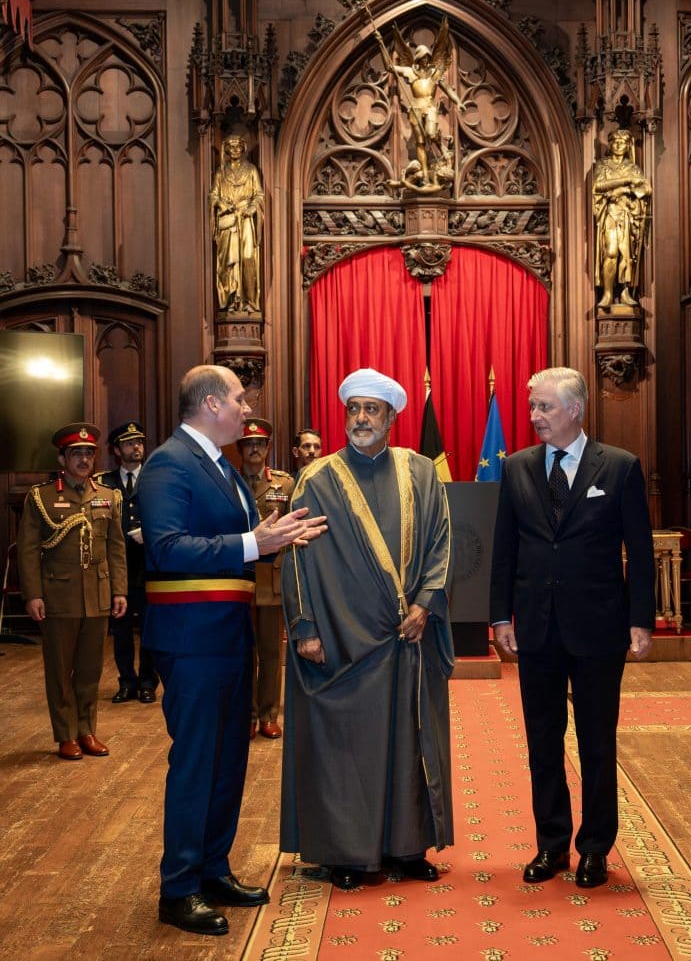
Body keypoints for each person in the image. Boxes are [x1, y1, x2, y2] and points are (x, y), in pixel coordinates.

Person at [137, 364, 327, 936]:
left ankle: (212, 868)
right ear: (211, 403)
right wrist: (254, 541)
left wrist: (277, 539)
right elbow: (167, 549)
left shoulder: (220, 466)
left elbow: (238, 549)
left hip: (226, 635)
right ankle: (178, 888)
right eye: (239, 400)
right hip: (191, 639)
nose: (246, 410)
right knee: (197, 761)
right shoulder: (168, 463)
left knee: (227, 761)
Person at [280, 368, 454, 892]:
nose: (360, 419)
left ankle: (406, 848)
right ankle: (349, 853)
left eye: (371, 410)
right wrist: (305, 625)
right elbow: (294, 554)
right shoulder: (318, 478)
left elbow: (442, 541)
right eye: (353, 409)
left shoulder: (422, 471)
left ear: (392, 417)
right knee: (348, 747)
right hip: (342, 637)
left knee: (409, 741)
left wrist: (426, 604)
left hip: (409, 637)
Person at [489, 367, 655, 889]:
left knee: (597, 742)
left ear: (575, 410)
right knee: (543, 741)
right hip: (536, 627)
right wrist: (499, 616)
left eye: (545, 407)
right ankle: (552, 845)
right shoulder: (515, 467)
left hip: (600, 629)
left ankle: (595, 849)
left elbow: (641, 554)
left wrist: (640, 621)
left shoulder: (621, 467)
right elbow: (504, 551)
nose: (535, 416)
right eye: (533, 406)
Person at [16, 423, 127, 760]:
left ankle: (86, 730)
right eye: (76, 453)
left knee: (91, 669)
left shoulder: (108, 496)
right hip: (58, 595)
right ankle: (65, 734)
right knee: (60, 669)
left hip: (98, 593)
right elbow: (28, 550)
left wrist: (119, 591)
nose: (84, 459)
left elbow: (116, 548)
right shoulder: (42, 496)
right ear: (62, 457)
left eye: (89, 453)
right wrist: (33, 594)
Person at [237, 417, 294, 740]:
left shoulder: (284, 485)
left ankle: (269, 714)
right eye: (248, 444)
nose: (255, 449)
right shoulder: (229, 481)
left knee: (272, 652)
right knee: (244, 651)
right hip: (240, 578)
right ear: (240, 448)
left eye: (260, 444)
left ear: (268, 448)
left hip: (272, 579)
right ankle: (247, 712)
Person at [96, 420, 158, 703]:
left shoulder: (156, 478)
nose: (137, 447)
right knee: (120, 630)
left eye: (140, 442)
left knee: (150, 630)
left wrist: (153, 533)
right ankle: (126, 681)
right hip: (116, 568)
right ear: (117, 450)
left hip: (149, 566)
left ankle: (147, 682)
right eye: (130, 443)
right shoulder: (102, 482)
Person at [379, 19, 465, 189]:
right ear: (418, 59)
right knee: (419, 142)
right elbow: (390, 67)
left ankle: (443, 154)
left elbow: (447, 89)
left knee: (431, 135)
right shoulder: (410, 71)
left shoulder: (434, 73)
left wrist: (458, 101)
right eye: (422, 58)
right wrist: (381, 43)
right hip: (415, 109)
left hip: (430, 108)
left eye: (427, 58)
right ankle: (425, 175)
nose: (425, 61)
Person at [592, 128, 652, 307]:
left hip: (628, 214)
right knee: (611, 252)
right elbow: (598, 185)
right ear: (610, 144)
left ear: (628, 146)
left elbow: (646, 189)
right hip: (609, 213)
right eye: (615, 141)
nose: (618, 145)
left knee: (626, 256)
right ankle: (608, 294)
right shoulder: (603, 165)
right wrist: (626, 182)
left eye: (623, 142)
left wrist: (623, 190)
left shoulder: (632, 168)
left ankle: (625, 292)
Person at [209, 133, 264, 312]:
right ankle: (231, 300)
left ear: (243, 149)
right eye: (230, 147)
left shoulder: (251, 170)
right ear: (226, 149)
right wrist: (221, 203)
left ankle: (248, 300)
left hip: (246, 219)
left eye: (238, 146)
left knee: (248, 257)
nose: (234, 150)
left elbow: (259, 195)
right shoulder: (221, 172)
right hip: (228, 220)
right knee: (228, 262)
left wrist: (252, 208)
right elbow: (213, 195)